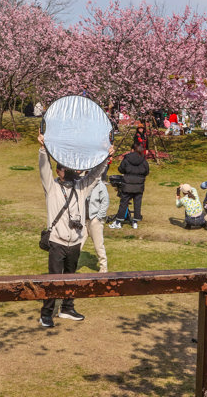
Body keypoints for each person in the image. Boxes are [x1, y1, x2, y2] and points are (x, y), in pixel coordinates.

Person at [37, 134, 112, 328]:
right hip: (57, 241)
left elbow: (95, 176)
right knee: (54, 279)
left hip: (75, 241)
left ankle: (67, 308)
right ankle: (46, 314)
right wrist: (43, 149)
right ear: (59, 171)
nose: (70, 171)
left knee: (71, 277)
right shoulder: (51, 187)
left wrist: (105, 157)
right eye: (66, 168)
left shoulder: (81, 187)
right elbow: (43, 168)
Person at [110, 141, 149, 229]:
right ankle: (135, 222)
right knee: (137, 203)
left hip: (127, 184)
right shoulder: (143, 160)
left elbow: (121, 169)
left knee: (123, 203)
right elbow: (146, 171)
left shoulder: (127, 158)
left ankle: (118, 222)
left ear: (132, 149)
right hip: (139, 185)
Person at [85, 170, 110, 272]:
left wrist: (98, 217)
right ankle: (70, 267)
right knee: (76, 244)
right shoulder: (84, 184)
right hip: (83, 219)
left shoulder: (101, 186)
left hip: (95, 219)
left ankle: (103, 267)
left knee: (98, 245)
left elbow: (105, 202)